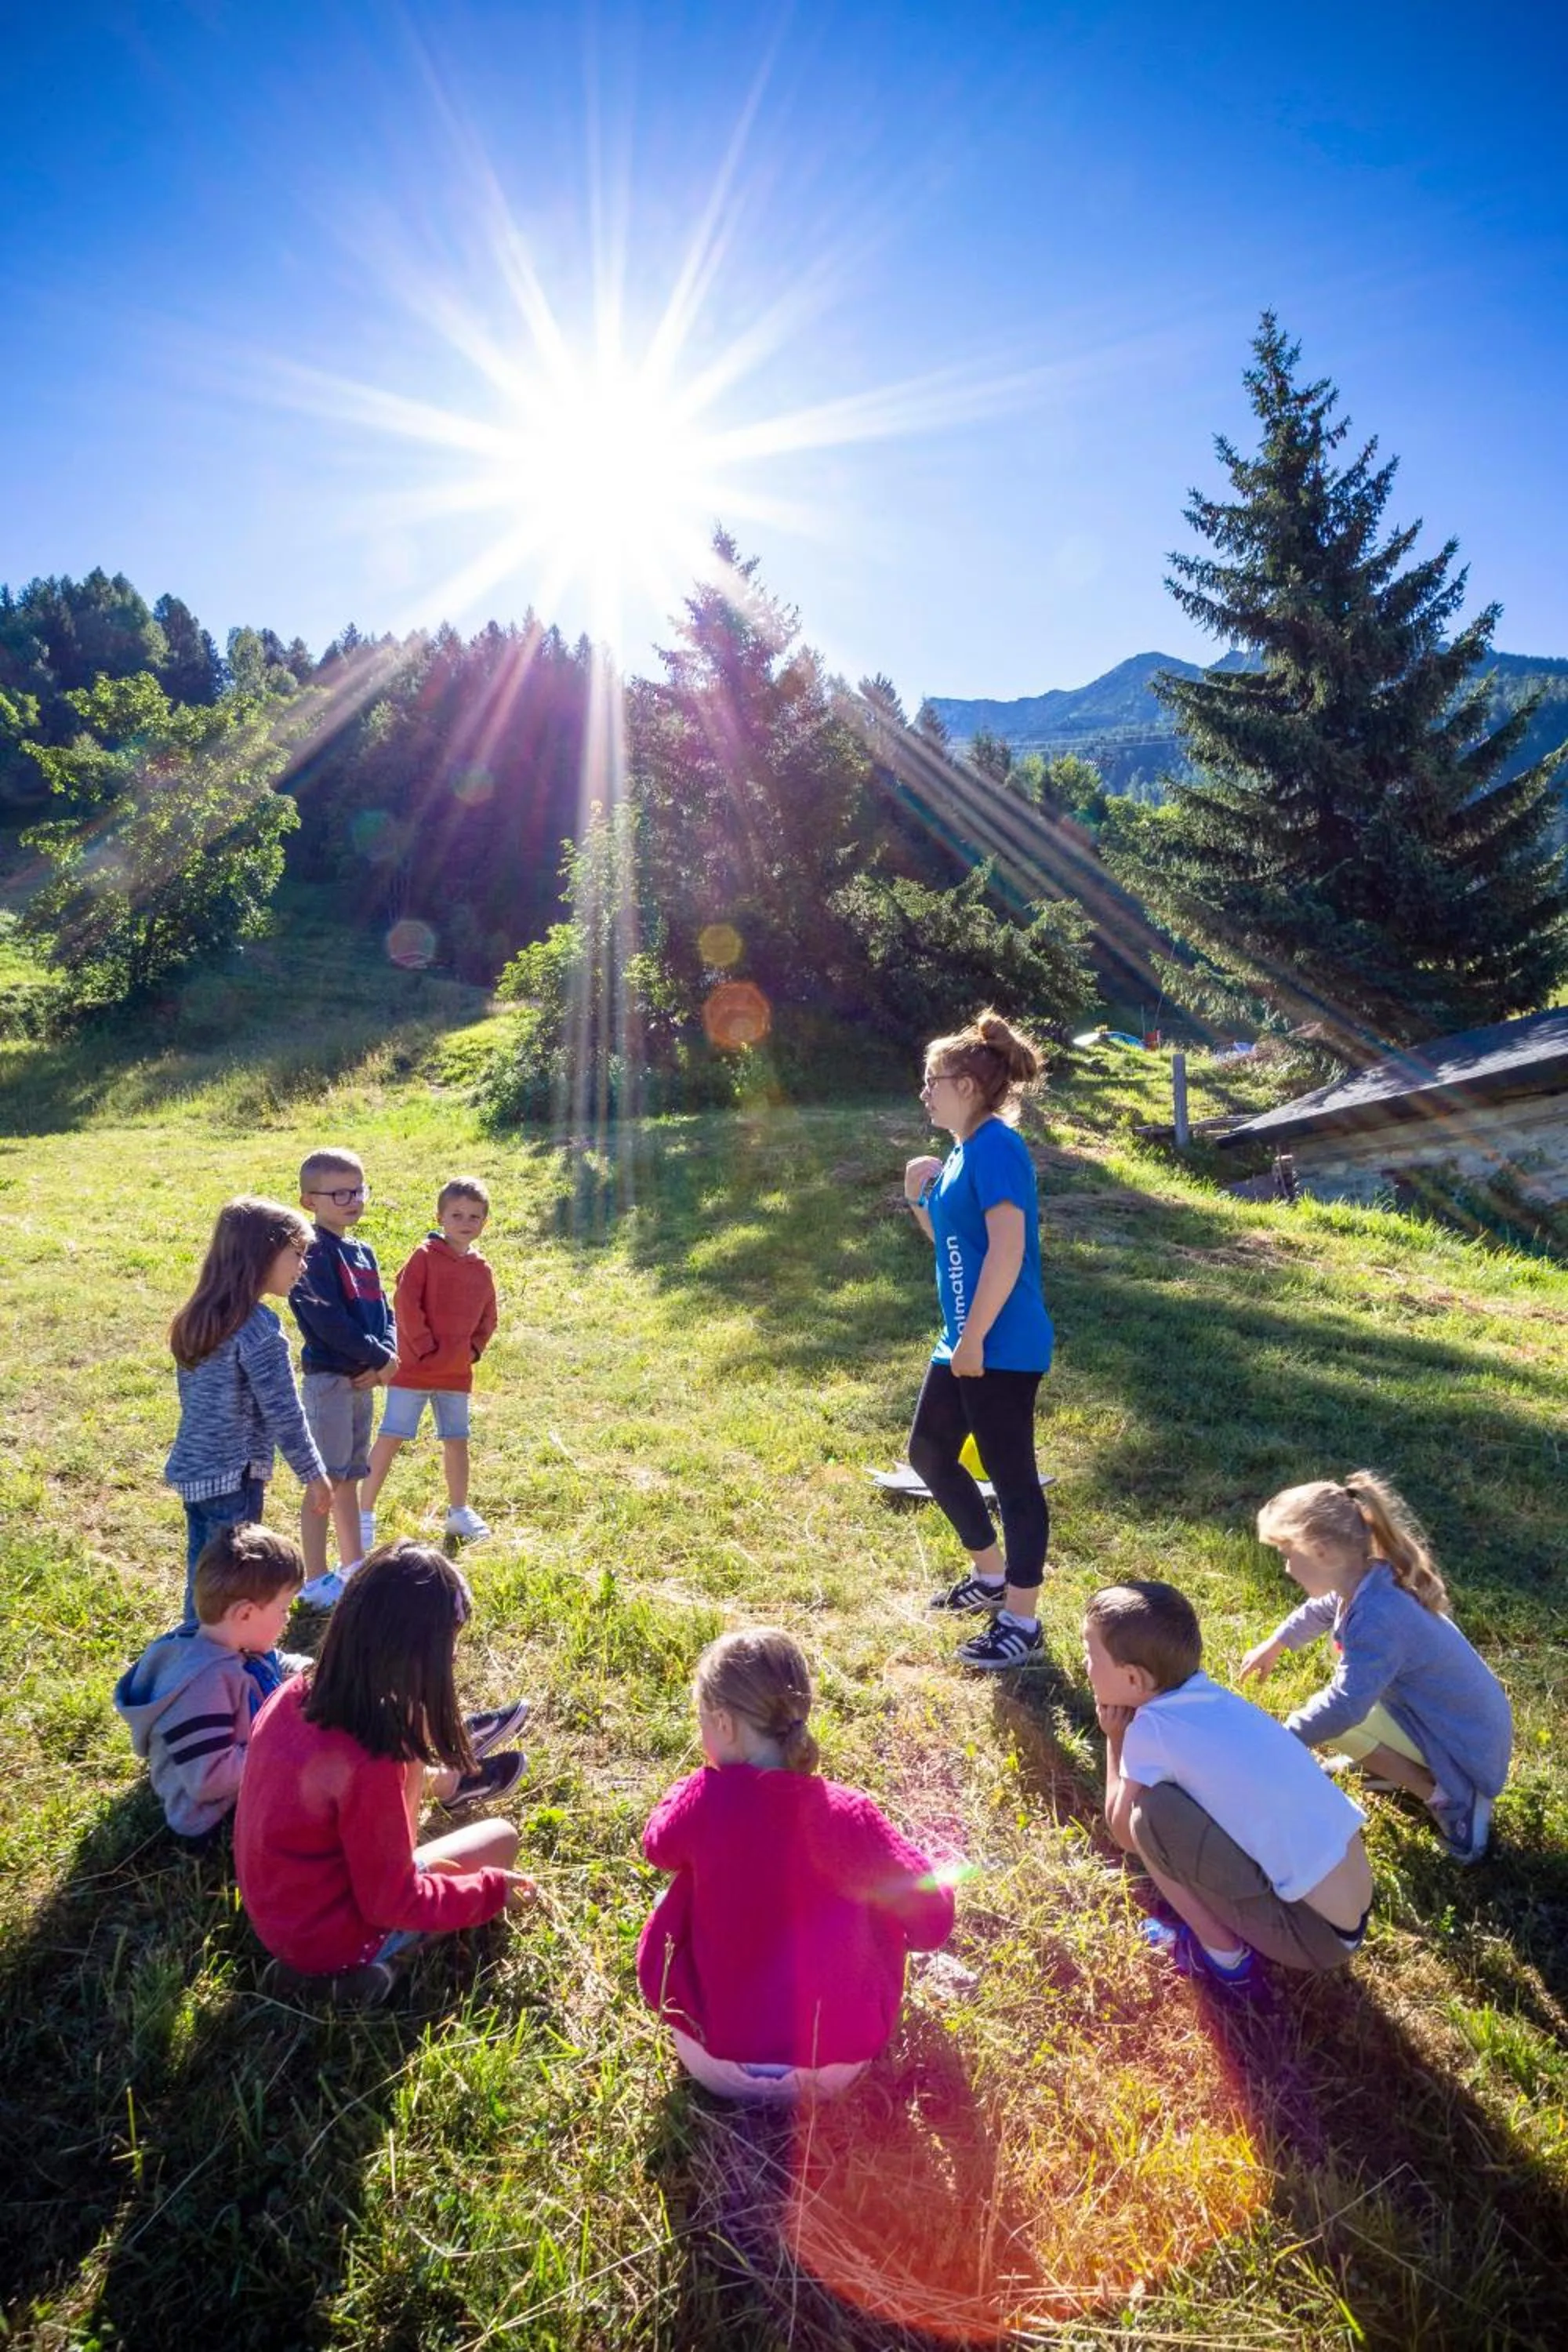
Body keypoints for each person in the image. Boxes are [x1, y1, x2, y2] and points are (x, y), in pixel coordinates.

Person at [637, 1628, 955, 2100]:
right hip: (835, 2068)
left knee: (683, 1886)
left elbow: (656, 1846)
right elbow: (934, 1920)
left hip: (712, 2057)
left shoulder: (704, 1801)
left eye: (702, 1720)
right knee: (870, 1897)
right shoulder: (848, 1813)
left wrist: (693, 1788)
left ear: (723, 1724)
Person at [234, 1541, 534, 2005]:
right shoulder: (370, 1756)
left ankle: (333, 1968)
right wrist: (488, 1893)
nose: (451, 1662)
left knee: (490, 1844)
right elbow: (391, 1901)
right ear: (418, 1655)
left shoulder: (293, 1693)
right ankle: (370, 1970)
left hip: (278, 1916)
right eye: (448, 1649)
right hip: (332, 1937)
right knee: (501, 1843)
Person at [1085, 1581, 1374, 1992]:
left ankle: (1227, 1962)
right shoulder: (1212, 1697)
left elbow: (1121, 1832)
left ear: (1132, 1679)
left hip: (1314, 1938)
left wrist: (1116, 1738)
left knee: (1149, 1817)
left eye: (1089, 1655)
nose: (1084, 1664)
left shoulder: (1151, 1730)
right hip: (1353, 1906)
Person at [1245, 1472, 1512, 1864]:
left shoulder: (1378, 1617)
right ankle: (1394, 1764)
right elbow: (1323, 1608)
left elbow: (1344, 1707)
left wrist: (1284, 1738)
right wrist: (1278, 1642)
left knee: (1342, 1720)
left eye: (1288, 1554)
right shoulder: (1370, 1578)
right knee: (1343, 1713)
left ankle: (1455, 1800)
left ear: (1321, 1552)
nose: (1286, 1568)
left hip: (1466, 1749)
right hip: (1461, 1726)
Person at [903, 1009, 1054, 1669]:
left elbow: (1009, 1252)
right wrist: (918, 1201)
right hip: (963, 1340)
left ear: (966, 1083)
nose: (925, 1092)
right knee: (930, 1454)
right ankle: (989, 1576)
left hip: (1001, 1344)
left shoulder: (998, 1147)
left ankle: (1022, 1619)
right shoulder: (964, 1155)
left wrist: (975, 1340)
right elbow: (955, 1250)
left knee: (1012, 1475)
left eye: (932, 1079)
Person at [164, 1196, 332, 1623]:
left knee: (204, 1575)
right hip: (234, 1476)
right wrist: (313, 1474)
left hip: (196, 1469)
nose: (303, 1266)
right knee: (231, 1583)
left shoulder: (200, 1317)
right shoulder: (258, 1330)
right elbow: (284, 1413)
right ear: (261, 1254)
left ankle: (191, 1650)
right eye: (296, 1254)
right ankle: (218, 1660)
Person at [114, 1524, 308, 1844]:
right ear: (245, 1613)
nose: (287, 1619)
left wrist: (309, 1672)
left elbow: (272, 1662)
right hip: (214, 1814)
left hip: (247, 1770)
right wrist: (281, 1749)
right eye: (283, 1609)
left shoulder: (229, 1639)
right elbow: (210, 1780)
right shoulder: (202, 1685)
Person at [358, 1176, 499, 1551]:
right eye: (457, 1214)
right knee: (392, 1436)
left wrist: (472, 1351)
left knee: (457, 1440)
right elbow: (405, 1303)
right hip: (414, 1370)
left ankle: (458, 1511)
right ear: (440, 1217)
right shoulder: (423, 1257)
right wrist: (422, 1347)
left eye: (474, 1216)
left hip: (455, 1374)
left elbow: (489, 1316)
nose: (465, 1222)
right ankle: (363, 1512)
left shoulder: (482, 1269)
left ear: (484, 1222)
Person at [289, 1147, 397, 1609]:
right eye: (339, 1193)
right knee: (323, 1483)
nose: (352, 1200)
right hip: (331, 1381)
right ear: (309, 1201)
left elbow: (383, 1310)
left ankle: (353, 1565)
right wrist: (375, 1358)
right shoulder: (309, 1252)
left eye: (358, 1189)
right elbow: (328, 1321)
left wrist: (386, 1354)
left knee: (350, 1474)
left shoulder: (362, 1250)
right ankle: (315, 1580)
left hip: (362, 1380)